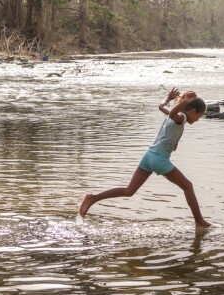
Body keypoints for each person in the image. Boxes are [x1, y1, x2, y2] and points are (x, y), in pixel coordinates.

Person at [78, 88, 212, 229]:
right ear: (192, 112)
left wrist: (168, 98)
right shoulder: (181, 117)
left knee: (129, 191)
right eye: (199, 116)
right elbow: (173, 114)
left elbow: (161, 107)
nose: (198, 120)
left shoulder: (176, 117)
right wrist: (183, 101)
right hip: (159, 160)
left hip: (148, 156)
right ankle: (199, 222)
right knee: (188, 186)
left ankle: (92, 198)